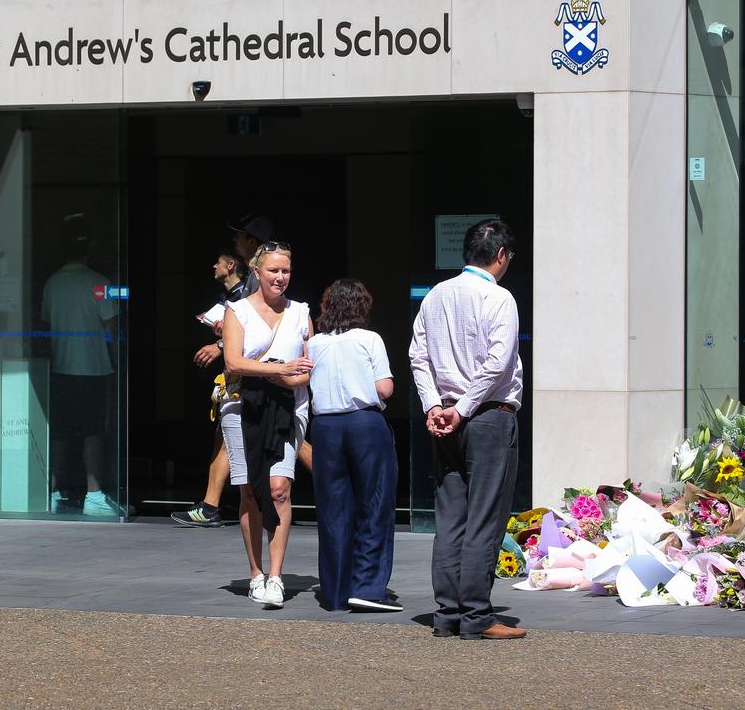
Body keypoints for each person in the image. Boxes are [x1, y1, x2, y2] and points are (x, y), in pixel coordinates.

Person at [409, 218, 526, 640]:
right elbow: (498, 363)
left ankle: (447, 614)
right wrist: (463, 407)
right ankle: (476, 615)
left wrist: (435, 406)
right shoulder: (499, 299)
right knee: (484, 516)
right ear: (500, 256)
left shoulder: (435, 296)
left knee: (451, 515)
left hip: (446, 416)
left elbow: (418, 358)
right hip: (488, 416)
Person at [172, 215, 314, 527]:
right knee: (247, 474)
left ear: (253, 244)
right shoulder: (243, 300)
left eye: (240, 237)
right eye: (274, 270)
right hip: (248, 394)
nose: (278, 277)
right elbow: (239, 350)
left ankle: (334, 487)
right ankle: (213, 508)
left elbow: (298, 355)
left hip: (283, 393)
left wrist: (224, 347)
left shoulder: (289, 304)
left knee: (281, 477)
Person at [220, 241, 313, 609]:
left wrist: (289, 378)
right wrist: (280, 370)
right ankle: (255, 573)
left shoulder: (301, 311)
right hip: (244, 407)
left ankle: (276, 576)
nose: (280, 277)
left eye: (285, 271)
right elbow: (233, 363)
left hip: (289, 407)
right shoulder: (237, 311)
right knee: (248, 490)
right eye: (273, 270)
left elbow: (308, 364)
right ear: (256, 272)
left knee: (279, 488)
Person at [308, 279, 401, 612]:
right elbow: (385, 388)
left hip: (325, 428)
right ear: (361, 306)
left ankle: (335, 593)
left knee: (333, 510)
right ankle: (368, 587)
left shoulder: (315, 344)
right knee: (374, 503)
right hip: (365, 424)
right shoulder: (369, 339)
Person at [41, 213, 119, 517]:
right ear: (90, 248)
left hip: (60, 368)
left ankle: (54, 492)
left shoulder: (52, 283)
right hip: (93, 369)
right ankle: (94, 495)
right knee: (93, 432)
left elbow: (46, 325)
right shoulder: (99, 283)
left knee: (59, 432)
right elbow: (111, 329)